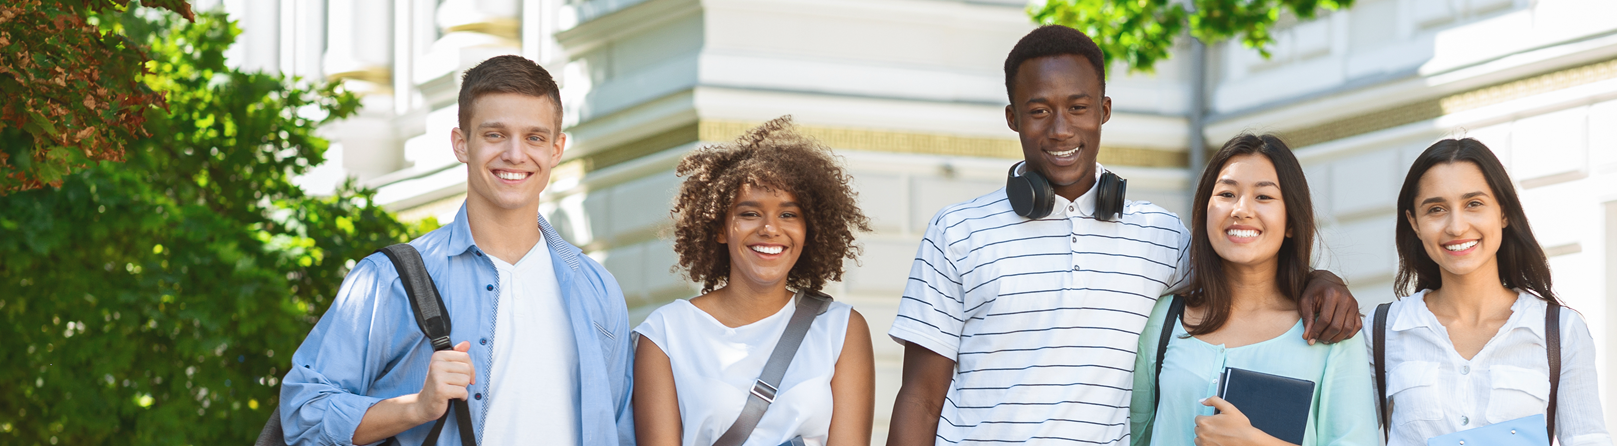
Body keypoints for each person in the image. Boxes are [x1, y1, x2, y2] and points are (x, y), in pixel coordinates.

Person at [885, 25, 1364, 446]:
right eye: (1038, 111)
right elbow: (921, 400)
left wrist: (1318, 280)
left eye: (1078, 107)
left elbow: (1244, 265)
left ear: (1104, 110)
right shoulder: (957, 232)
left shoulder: (1159, 236)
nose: (1060, 129)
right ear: (1012, 117)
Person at [279, 55, 634, 445]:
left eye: (535, 137)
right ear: (461, 144)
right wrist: (415, 407)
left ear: (556, 149)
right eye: (495, 135)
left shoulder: (597, 288)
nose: (516, 154)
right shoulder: (389, 278)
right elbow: (304, 412)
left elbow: (620, 429)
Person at [632, 116, 876, 446]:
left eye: (788, 214)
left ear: (809, 230)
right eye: (750, 213)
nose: (770, 229)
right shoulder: (666, 333)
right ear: (719, 227)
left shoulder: (840, 330)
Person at [1130, 134, 1378, 446]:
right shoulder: (1163, 319)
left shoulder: (1329, 328)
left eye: (1263, 197)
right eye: (1227, 194)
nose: (1241, 209)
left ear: (1290, 221)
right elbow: (1132, 436)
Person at [1365, 138, 1611, 445]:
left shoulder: (1561, 332)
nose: (1456, 227)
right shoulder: (1382, 331)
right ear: (1414, 223)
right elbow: (1340, 436)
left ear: (1503, 213)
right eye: (1436, 209)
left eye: (1474, 204)